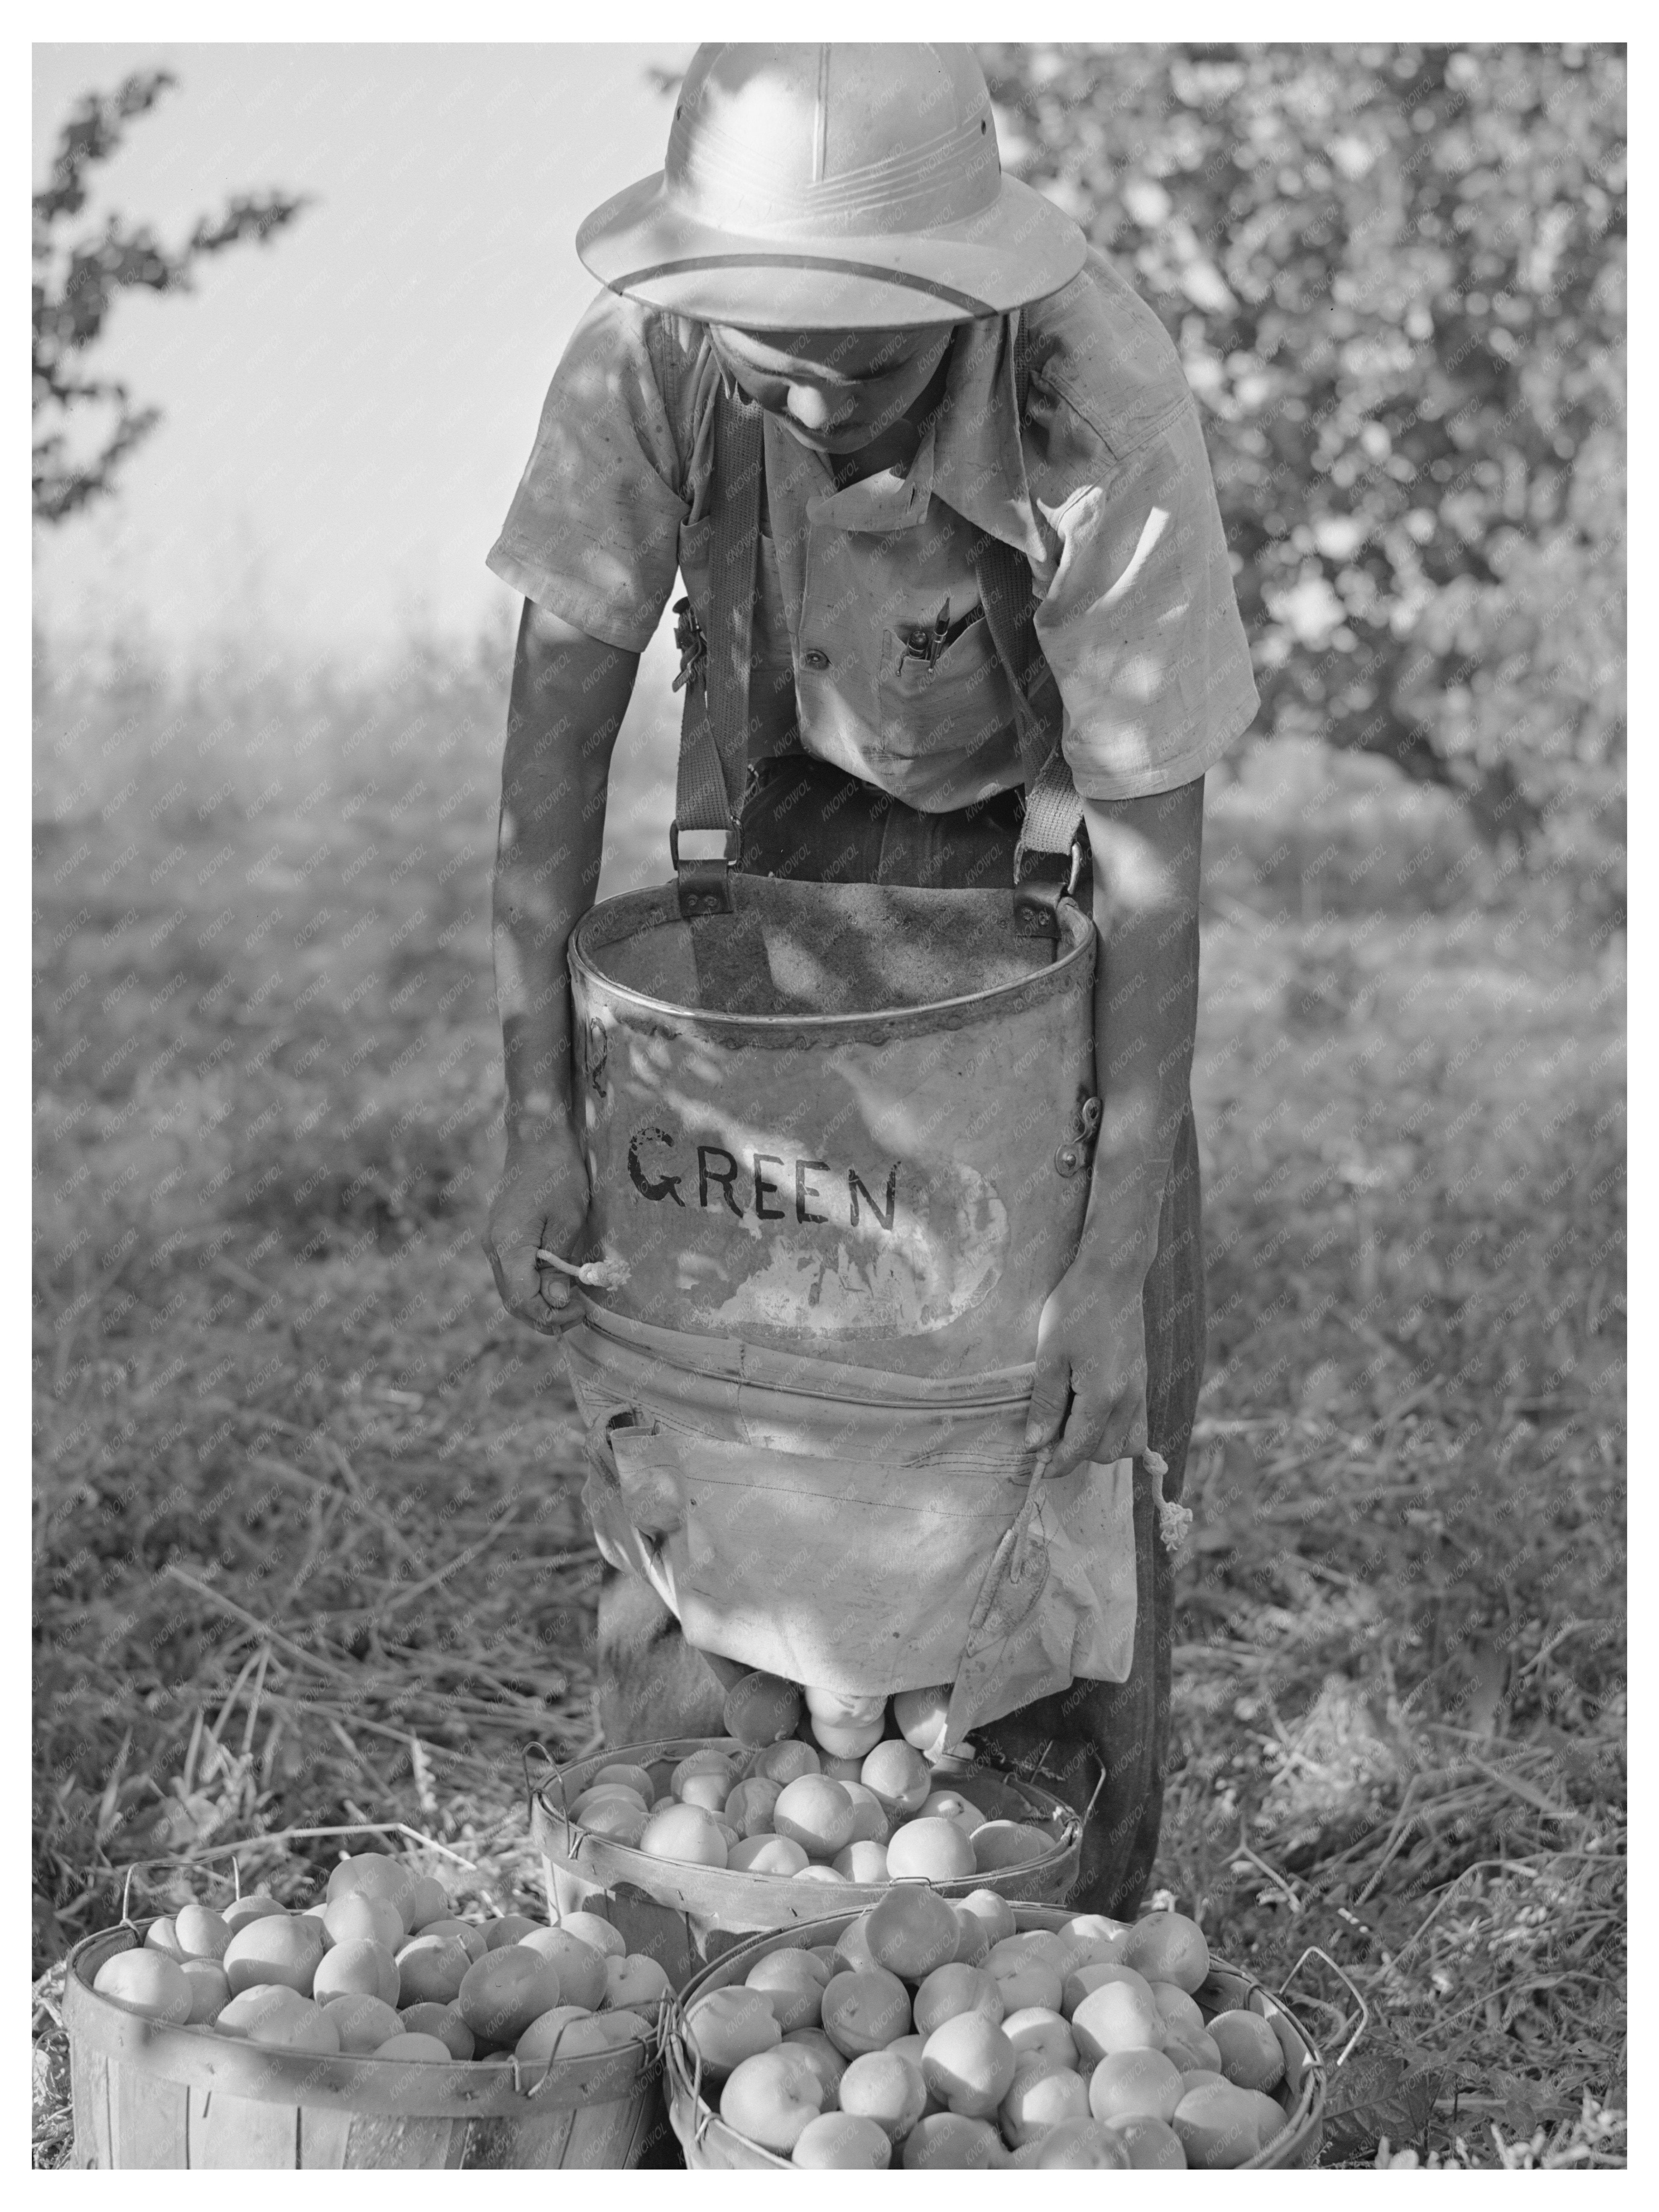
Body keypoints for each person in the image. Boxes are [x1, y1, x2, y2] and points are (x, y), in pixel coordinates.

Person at [482, 43, 1257, 1915]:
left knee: (1055, 1459)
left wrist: (1108, 1259)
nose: (824, 406)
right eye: (781, 364)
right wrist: (539, 1116)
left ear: (970, 304)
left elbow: (1157, 871)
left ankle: (1045, 1953)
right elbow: (552, 749)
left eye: (877, 367)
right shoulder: (649, 356)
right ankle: (699, 1942)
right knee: (709, 1421)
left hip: (1034, 919)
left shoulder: (1094, 397)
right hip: (758, 895)